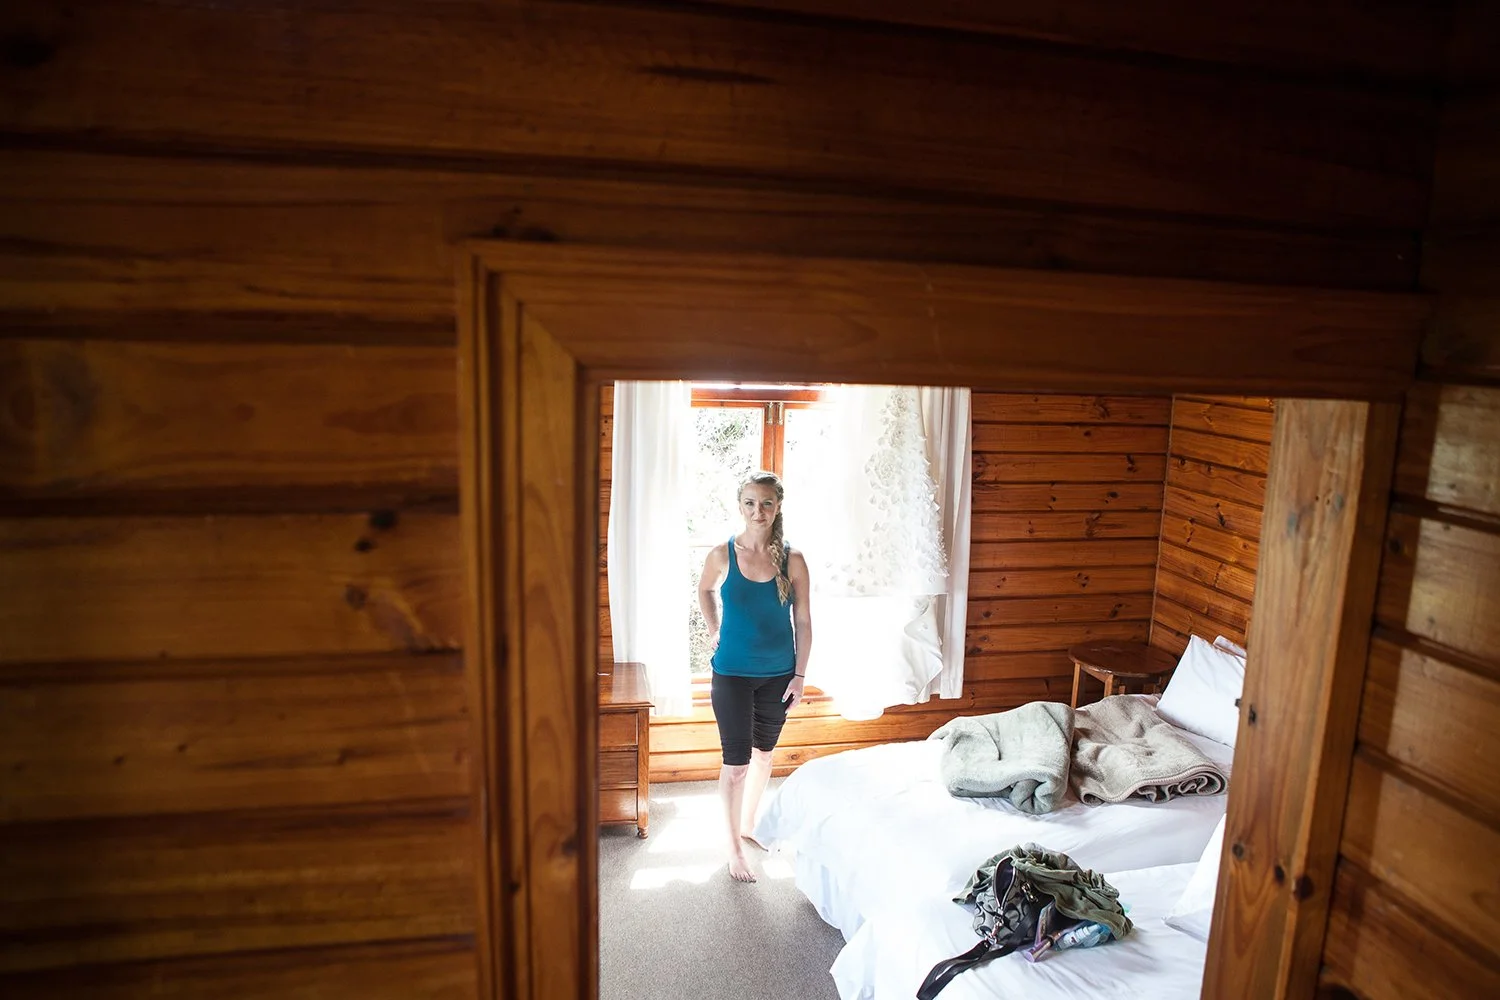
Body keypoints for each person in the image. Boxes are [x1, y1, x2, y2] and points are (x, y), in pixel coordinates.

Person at [697, 471, 813, 883]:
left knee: (764, 755)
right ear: (740, 506)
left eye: (766, 503)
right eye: (750, 502)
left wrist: (799, 675)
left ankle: (748, 826)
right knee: (737, 765)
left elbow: (802, 618)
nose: (757, 510)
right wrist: (714, 629)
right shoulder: (722, 554)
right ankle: (732, 848)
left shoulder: (792, 559)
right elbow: (705, 591)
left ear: (777, 506)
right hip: (730, 674)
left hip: (778, 676)